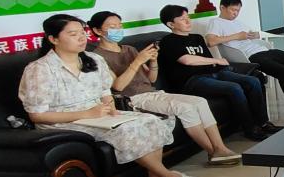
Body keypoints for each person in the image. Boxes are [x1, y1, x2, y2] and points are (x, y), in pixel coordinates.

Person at [19, 14, 201, 177]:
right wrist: (88, 113)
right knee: (126, 129)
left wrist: (112, 110)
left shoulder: (93, 59)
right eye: (73, 34)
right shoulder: (40, 69)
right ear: (53, 39)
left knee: (151, 120)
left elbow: (105, 92)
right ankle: (169, 176)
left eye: (82, 33)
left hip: (99, 115)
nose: (81, 38)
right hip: (63, 122)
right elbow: (37, 115)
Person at [88, 11, 242, 166]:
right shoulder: (97, 57)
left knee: (200, 102)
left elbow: (151, 79)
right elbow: (118, 86)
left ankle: (220, 148)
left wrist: (153, 62)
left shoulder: (130, 49)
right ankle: (213, 153)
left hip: (153, 92)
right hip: (133, 99)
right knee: (186, 109)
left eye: (119, 25)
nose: (118, 29)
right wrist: (137, 61)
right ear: (97, 30)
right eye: (112, 26)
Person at [158, 5, 280, 142]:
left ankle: (263, 123)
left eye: (188, 17)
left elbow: (206, 60)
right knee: (234, 88)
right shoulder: (168, 41)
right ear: (171, 24)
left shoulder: (197, 38)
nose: (188, 21)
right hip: (192, 80)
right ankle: (249, 128)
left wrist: (219, 66)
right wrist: (216, 60)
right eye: (182, 19)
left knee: (253, 81)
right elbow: (187, 60)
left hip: (213, 73)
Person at [205, 0, 284, 118]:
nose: (236, 13)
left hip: (264, 50)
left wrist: (254, 35)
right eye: (233, 10)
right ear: (222, 8)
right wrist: (236, 36)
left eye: (238, 10)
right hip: (250, 56)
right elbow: (210, 42)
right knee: (282, 71)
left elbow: (249, 35)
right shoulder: (215, 22)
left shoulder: (238, 22)